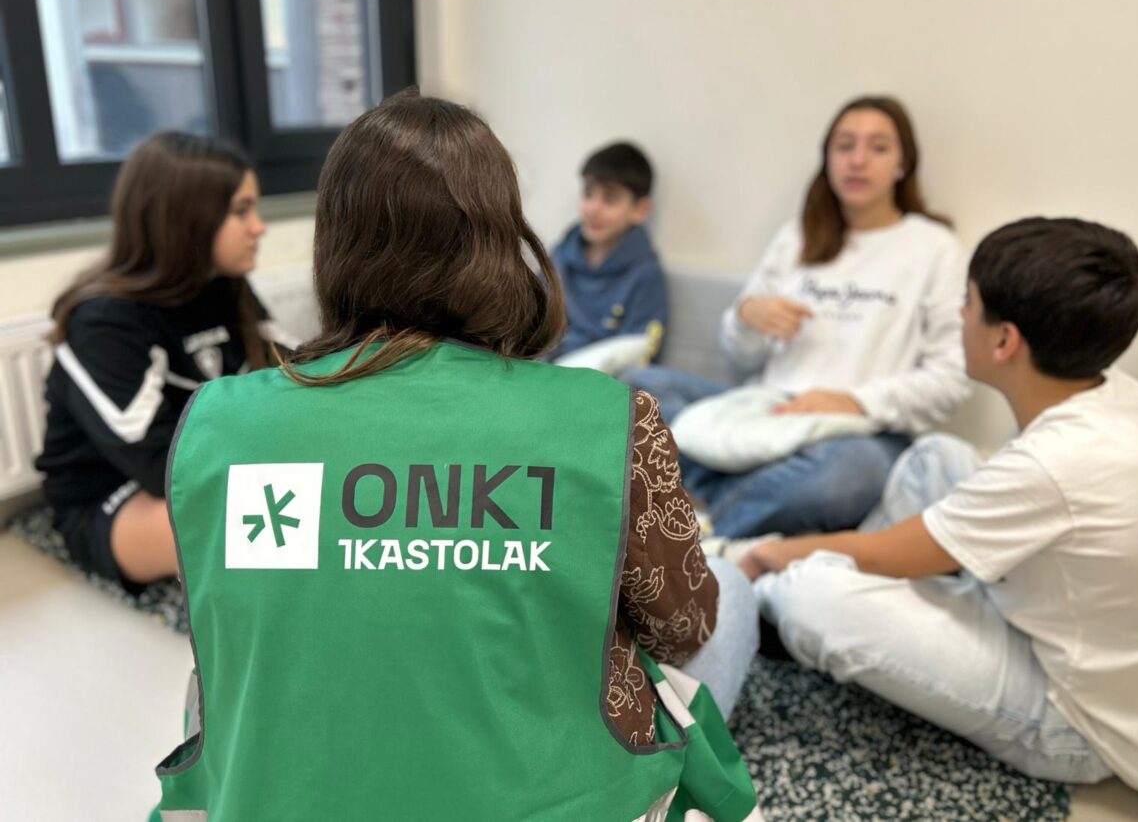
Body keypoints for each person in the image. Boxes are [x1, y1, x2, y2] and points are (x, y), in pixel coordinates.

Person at [153, 92, 760, 821]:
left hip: (275, 799)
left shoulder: (218, 423)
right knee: (730, 587)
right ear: (501, 238)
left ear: (333, 239)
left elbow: (230, 626)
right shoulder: (611, 420)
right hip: (568, 801)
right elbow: (683, 629)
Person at [741, 218, 1138, 791]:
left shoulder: (1056, 462)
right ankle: (862, 613)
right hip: (1090, 644)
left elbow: (882, 553)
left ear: (1005, 341)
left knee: (806, 592)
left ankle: (768, 601)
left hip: (1082, 725)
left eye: (968, 302)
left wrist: (762, 557)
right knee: (934, 457)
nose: (960, 315)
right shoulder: (1119, 395)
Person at [626, 96, 970, 538]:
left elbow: (951, 379)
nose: (858, 160)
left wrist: (854, 401)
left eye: (879, 147)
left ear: (903, 163)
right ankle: (739, 501)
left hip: (859, 433)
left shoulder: (934, 248)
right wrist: (746, 318)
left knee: (844, 478)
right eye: (844, 146)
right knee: (637, 386)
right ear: (827, 158)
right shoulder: (798, 238)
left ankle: (702, 518)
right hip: (766, 410)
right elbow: (740, 361)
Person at [36, 132, 285, 589]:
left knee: (308, 502)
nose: (259, 227)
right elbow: (160, 468)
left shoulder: (224, 284)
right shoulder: (104, 321)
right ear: (187, 218)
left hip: (206, 467)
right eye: (241, 211)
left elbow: (286, 377)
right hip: (112, 493)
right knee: (264, 529)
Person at [547, 141, 668, 360]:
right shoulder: (560, 256)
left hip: (601, 375)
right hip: (546, 367)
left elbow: (641, 353)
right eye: (588, 194)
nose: (593, 209)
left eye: (610, 199)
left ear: (640, 210)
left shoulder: (645, 275)